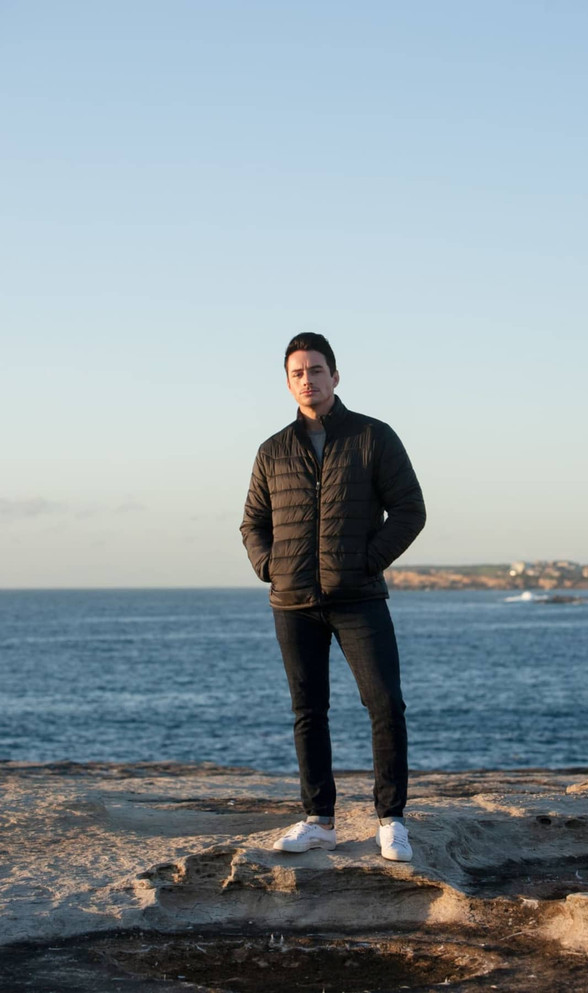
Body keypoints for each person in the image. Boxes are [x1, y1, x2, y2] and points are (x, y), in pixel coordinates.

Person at [240, 333, 426, 861]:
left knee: (385, 704)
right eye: (298, 373)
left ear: (335, 376)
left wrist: (365, 562)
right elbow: (253, 523)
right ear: (288, 383)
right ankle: (318, 820)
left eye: (316, 370)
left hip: (358, 598)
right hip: (293, 602)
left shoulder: (372, 436)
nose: (308, 380)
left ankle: (391, 820)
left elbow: (410, 510)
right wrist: (271, 566)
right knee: (308, 710)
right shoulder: (273, 450)